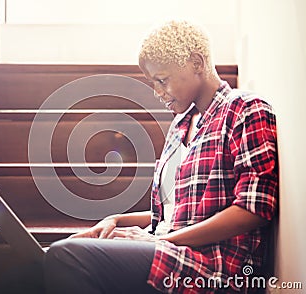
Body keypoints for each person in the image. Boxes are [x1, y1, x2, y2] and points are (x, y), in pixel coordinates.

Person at [43, 19, 278, 293]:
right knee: (48, 256)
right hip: (172, 250)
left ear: (197, 63)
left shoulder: (246, 110)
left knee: (69, 257)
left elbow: (254, 210)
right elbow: (171, 215)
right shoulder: (180, 126)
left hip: (215, 267)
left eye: (162, 80)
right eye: (152, 83)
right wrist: (117, 220)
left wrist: (160, 242)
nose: (156, 92)